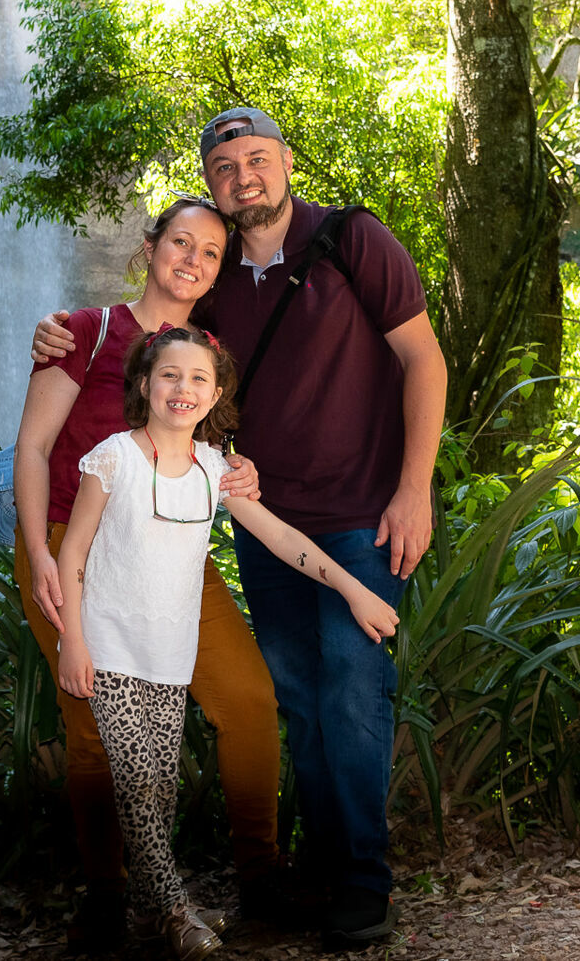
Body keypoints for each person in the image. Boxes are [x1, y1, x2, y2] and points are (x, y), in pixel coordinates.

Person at [34, 107, 449, 948]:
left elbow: (422, 359)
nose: (242, 177)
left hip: (349, 517)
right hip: (197, 531)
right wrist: (55, 333)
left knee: (337, 693)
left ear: (287, 161)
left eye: (257, 159)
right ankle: (256, 880)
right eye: (224, 169)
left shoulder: (349, 243)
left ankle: (345, 883)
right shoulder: (157, 304)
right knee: (289, 696)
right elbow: (81, 411)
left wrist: (415, 490)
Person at [57, 326, 399, 961]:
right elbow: (73, 551)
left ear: (216, 397)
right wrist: (72, 640)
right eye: (168, 376)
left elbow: (282, 539)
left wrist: (355, 590)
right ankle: (175, 913)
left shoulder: (215, 471)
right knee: (138, 783)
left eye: (197, 380)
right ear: (143, 385)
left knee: (160, 786)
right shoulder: (114, 458)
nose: (181, 389)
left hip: (170, 655)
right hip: (109, 648)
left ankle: (152, 909)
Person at [15, 196, 283, 949]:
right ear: (149, 246)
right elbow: (32, 447)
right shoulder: (88, 332)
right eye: (180, 242)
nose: (192, 259)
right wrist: (37, 552)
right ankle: (110, 899)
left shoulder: (205, 350)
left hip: (172, 556)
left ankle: (259, 880)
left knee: (249, 699)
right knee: (93, 728)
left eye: (209, 252)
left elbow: (210, 451)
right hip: (72, 547)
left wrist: (243, 471)